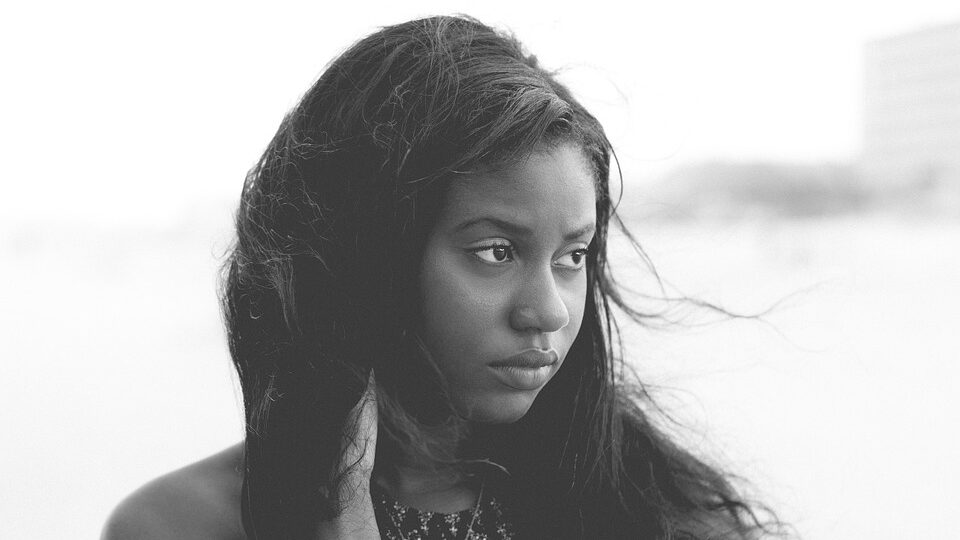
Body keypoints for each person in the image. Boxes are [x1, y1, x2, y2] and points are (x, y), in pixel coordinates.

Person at [102, 15, 781, 539]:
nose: (547, 312)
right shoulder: (181, 525)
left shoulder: (650, 508)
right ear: (365, 254)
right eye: (496, 252)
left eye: (572, 257)